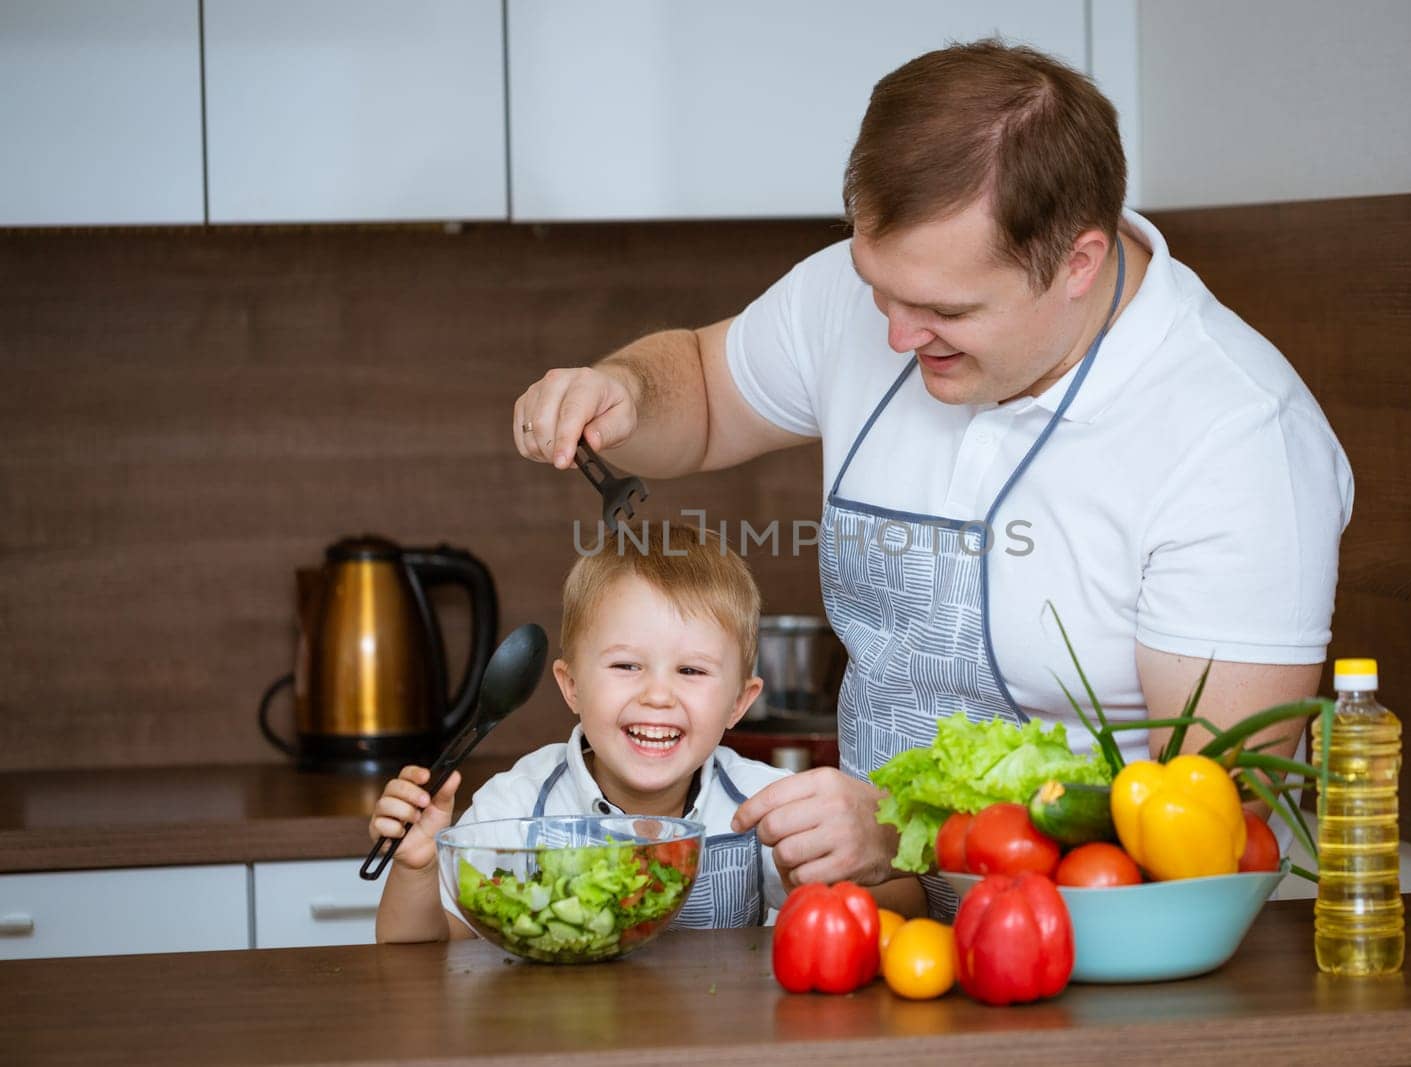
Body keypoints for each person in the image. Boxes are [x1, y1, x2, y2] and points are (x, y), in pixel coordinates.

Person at [509, 40, 1353, 907]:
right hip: (891, 940)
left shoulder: (1237, 438)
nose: (896, 339)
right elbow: (708, 388)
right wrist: (625, 390)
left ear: (1079, 264)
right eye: (879, 288)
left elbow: (1217, 814)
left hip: (1108, 965)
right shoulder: (879, 290)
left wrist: (910, 826)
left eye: (946, 312)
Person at [368, 525, 926, 942]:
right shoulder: (515, 808)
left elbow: (910, 901)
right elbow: (422, 953)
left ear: (739, 702)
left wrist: (829, 891)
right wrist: (415, 868)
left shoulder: (767, 804)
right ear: (571, 687)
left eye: (691, 671)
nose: (658, 695)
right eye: (627, 666)